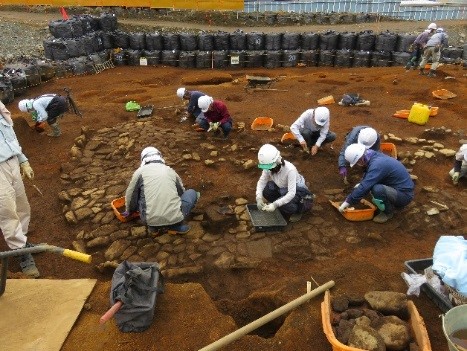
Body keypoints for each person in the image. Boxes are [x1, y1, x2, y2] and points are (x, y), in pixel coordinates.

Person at [0, 100, 39, 277]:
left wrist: (23, 160)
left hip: (12, 161)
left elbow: (10, 135)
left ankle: (22, 242)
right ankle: (20, 251)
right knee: (7, 211)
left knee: (22, 206)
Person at [124, 146, 199, 234]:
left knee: (140, 195)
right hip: (175, 218)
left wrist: (129, 211)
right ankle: (176, 226)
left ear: (143, 159)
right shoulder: (170, 171)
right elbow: (181, 193)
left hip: (149, 220)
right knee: (192, 193)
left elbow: (131, 195)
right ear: (160, 157)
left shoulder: (139, 172)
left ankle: (154, 228)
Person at [338, 143, 414, 223]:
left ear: (361, 158)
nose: (358, 164)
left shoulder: (378, 164)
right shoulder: (374, 156)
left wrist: (348, 201)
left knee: (377, 189)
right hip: (396, 188)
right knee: (371, 187)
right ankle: (385, 200)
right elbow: (369, 173)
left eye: (357, 162)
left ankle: (387, 212)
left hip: (404, 195)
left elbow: (365, 186)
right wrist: (362, 182)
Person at [256, 144, 314, 222]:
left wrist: (275, 204)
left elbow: (291, 193)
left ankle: (298, 211)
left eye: (270, 167)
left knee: (285, 204)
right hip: (282, 188)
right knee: (266, 190)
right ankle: (280, 203)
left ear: (277, 162)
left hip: (297, 191)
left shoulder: (290, 170)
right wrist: (258, 198)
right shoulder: (268, 166)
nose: (268, 170)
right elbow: (262, 181)